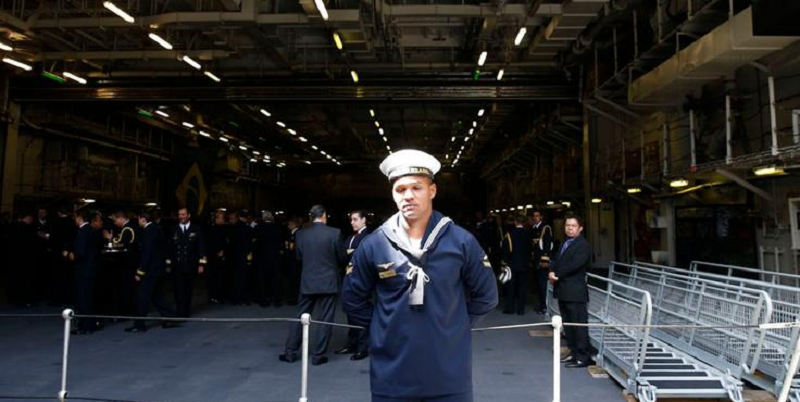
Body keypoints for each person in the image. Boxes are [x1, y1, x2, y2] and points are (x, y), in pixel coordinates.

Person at [342, 149, 498, 402]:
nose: (408, 195)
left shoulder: (461, 242)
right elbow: (352, 299)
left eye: (417, 187)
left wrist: (454, 326)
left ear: (432, 191)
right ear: (393, 195)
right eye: (400, 189)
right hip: (391, 375)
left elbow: (487, 296)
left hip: (449, 374)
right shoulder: (374, 244)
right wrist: (384, 329)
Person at [279, 205, 345, 366]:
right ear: (324, 215)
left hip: (308, 281)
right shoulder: (334, 233)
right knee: (325, 319)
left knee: (299, 317)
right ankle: (318, 355)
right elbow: (342, 258)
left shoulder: (301, 234)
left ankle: (290, 352)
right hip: (328, 281)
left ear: (311, 217)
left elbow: (299, 256)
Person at [549, 214, 593, 368]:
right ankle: (574, 352)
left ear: (580, 228)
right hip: (563, 290)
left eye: (573, 226)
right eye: (567, 225)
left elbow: (575, 265)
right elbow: (555, 259)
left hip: (575, 292)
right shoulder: (565, 243)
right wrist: (551, 270)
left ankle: (583, 356)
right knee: (568, 325)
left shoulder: (583, 245)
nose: (569, 228)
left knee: (578, 325)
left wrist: (556, 274)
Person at [126, 210, 177, 333]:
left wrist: (141, 270)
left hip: (150, 270)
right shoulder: (156, 228)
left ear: (142, 219)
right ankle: (170, 317)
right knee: (156, 295)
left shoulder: (148, 231)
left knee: (142, 297)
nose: (138, 222)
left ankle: (139, 324)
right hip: (157, 268)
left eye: (138, 219)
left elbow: (147, 252)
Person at [334, 210, 371, 360]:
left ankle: (363, 347)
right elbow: (342, 256)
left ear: (364, 220)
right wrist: (350, 252)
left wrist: (350, 253)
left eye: (355, 219)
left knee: (360, 313)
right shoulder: (350, 237)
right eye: (351, 220)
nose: (352, 222)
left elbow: (362, 256)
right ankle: (351, 344)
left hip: (361, 279)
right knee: (350, 312)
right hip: (348, 278)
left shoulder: (369, 236)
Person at [167, 208, 207, 318]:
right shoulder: (173, 229)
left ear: (188, 215)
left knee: (188, 289)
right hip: (177, 265)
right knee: (178, 290)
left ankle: (186, 311)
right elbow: (169, 248)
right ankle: (180, 312)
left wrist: (202, 264)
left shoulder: (196, 229)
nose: (181, 216)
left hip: (191, 264)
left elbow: (201, 247)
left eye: (183, 214)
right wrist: (168, 264)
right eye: (179, 214)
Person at [72, 210, 103, 334]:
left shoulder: (83, 231)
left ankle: (86, 326)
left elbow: (80, 253)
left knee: (83, 298)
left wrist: (69, 255)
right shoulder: (92, 230)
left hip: (84, 269)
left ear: (80, 218)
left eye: (75, 217)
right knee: (89, 297)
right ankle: (91, 323)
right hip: (92, 268)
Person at [501, 214, 531, 315]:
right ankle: (521, 310)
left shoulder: (509, 235)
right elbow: (530, 250)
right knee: (522, 288)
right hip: (524, 265)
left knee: (511, 288)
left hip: (512, 265)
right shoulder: (528, 234)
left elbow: (505, 250)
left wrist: (503, 264)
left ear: (515, 222)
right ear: (524, 223)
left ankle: (510, 309)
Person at [255, 211, 283, 307]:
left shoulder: (258, 227)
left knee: (262, 279)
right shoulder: (278, 227)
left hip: (262, 257)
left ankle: (263, 300)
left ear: (263, 218)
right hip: (275, 256)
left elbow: (256, 242)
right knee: (276, 279)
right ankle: (276, 300)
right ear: (271, 218)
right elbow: (281, 241)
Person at [529, 209, 553, 314]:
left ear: (541, 217)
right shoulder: (533, 228)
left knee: (543, 284)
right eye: (534, 216)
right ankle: (541, 304)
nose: (535, 218)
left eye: (537, 216)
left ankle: (545, 306)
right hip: (535, 260)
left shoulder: (545, 228)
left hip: (542, 261)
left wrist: (544, 260)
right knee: (538, 284)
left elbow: (547, 244)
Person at [206, 210, 228, 304]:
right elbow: (209, 243)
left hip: (222, 257)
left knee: (221, 278)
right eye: (222, 218)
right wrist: (218, 251)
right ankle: (214, 296)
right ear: (216, 219)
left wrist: (224, 251)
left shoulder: (225, 228)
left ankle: (220, 296)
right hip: (213, 257)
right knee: (213, 278)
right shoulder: (211, 229)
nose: (224, 219)